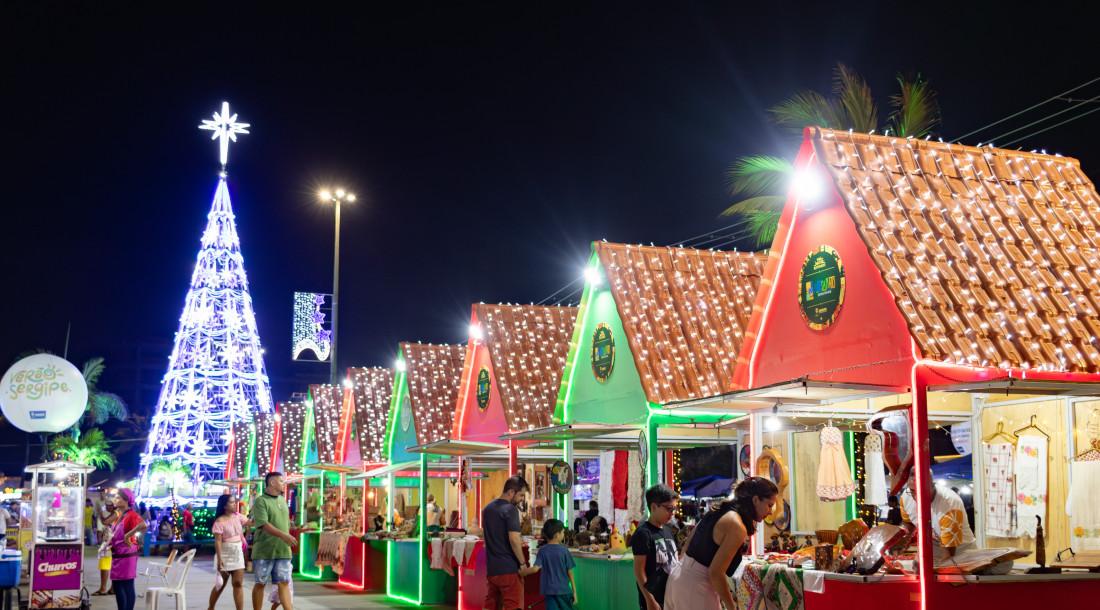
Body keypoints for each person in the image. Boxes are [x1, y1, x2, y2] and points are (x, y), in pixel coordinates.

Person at [664, 477, 779, 610]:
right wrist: (731, 605)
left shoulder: (719, 510)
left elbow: (688, 542)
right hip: (696, 586)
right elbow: (715, 573)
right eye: (769, 505)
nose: (770, 511)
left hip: (678, 577)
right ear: (755, 500)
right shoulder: (736, 525)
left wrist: (687, 570)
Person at [900, 472, 975, 560]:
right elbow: (908, 523)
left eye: (921, 490)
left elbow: (948, 553)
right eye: (913, 491)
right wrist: (904, 540)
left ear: (932, 486)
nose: (916, 497)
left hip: (960, 551)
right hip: (934, 548)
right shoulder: (906, 497)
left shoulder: (949, 503)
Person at [251, 472, 298, 610]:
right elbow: (263, 524)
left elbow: (283, 521)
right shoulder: (261, 501)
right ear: (272, 483)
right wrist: (284, 535)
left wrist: (289, 528)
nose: (283, 483)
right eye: (281, 481)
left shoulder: (282, 500)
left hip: (283, 550)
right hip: (264, 551)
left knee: (284, 583)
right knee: (260, 583)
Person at [482, 476, 530, 610]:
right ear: (511, 492)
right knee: (512, 605)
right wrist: (522, 563)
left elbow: (486, 538)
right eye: (521, 495)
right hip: (509, 569)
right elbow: (514, 539)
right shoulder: (510, 509)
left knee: (491, 605)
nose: (521, 499)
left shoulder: (487, 509)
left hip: (492, 569)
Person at [632, 484, 681, 610]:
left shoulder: (668, 530)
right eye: (669, 509)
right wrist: (650, 599)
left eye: (674, 509)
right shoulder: (643, 533)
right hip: (654, 601)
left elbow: (675, 560)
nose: (672, 513)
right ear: (654, 507)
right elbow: (639, 571)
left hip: (672, 596)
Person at [208, 494, 252, 610]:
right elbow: (217, 542)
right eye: (232, 502)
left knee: (238, 583)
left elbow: (250, 522)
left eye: (234, 501)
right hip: (225, 553)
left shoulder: (237, 516)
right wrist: (219, 559)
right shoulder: (219, 522)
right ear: (225, 506)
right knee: (220, 585)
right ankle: (211, 607)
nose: (234, 504)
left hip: (237, 553)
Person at [524, 519, 576, 610]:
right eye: (563, 532)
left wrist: (522, 572)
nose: (564, 535)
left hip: (549, 591)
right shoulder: (564, 551)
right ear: (557, 535)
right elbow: (570, 572)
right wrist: (574, 592)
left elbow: (535, 568)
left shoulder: (542, 550)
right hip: (564, 590)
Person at [108, 489, 147, 610]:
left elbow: (143, 525)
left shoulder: (131, 515)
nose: (115, 499)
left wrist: (128, 535)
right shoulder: (119, 515)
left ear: (126, 500)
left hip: (127, 555)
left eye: (118, 497)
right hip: (118, 555)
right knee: (117, 585)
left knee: (127, 585)